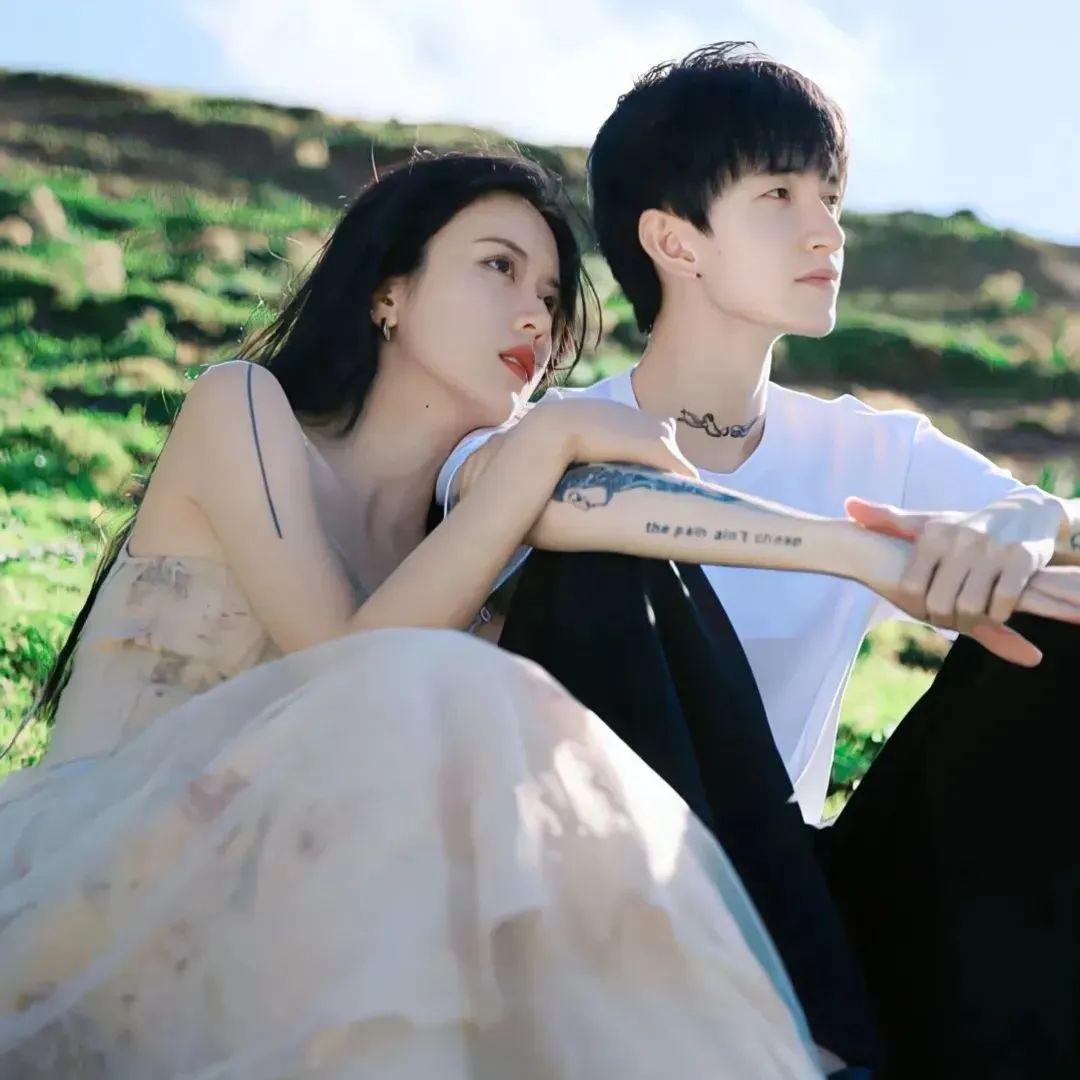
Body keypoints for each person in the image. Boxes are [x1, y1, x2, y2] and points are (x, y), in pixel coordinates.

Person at [0, 151, 827, 1078]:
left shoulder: (464, 544)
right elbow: (343, 672)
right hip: (102, 909)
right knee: (455, 689)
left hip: (293, 931)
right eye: (498, 266)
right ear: (388, 293)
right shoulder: (242, 406)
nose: (536, 317)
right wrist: (547, 440)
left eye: (550, 298)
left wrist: (863, 553)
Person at [434, 44, 1080, 1078]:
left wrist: (1027, 519)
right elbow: (534, 509)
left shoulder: (872, 448)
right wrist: (862, 555)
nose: (827, 230)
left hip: (807, 907)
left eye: (831, 197)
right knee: (606, 562)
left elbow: (1061, 532)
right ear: (674, 241)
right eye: (779, 194)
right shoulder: (541, 434)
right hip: (606, 890)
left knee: (1063, 627)